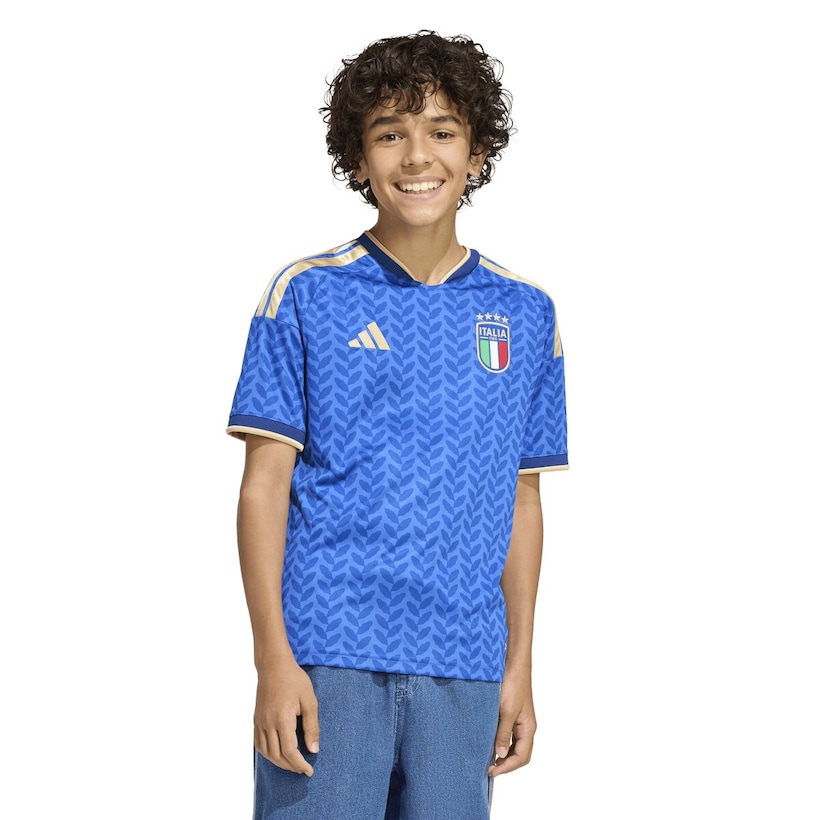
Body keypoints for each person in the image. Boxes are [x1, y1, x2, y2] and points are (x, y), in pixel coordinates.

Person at [226, 30, 568, 819]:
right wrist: (273, 658)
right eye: (390, 135)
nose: (418, 156)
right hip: (328, 652)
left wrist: (519, 667)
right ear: (359, 158)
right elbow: (262, 490)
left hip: (465, 659)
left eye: (442, 132)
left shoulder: (526, 312)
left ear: (477, 152)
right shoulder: (305, 294)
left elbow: (522, 500)